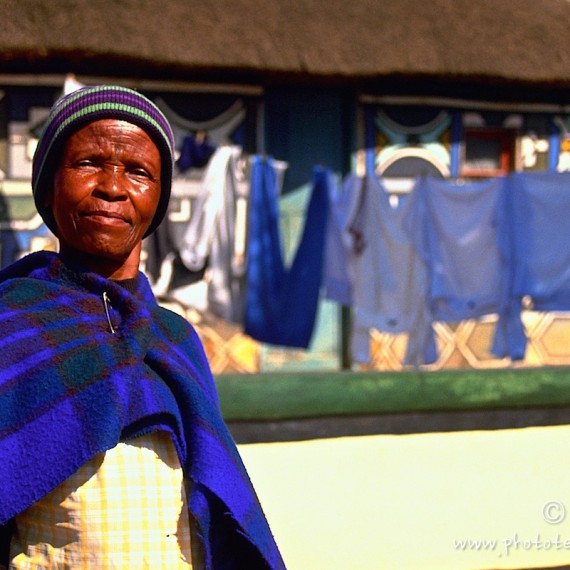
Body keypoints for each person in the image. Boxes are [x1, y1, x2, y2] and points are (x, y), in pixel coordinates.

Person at [0, 85, 285, 569]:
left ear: (158, 198)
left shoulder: (175, 339)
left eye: (138, 171)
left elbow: (209, 496)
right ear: (49, 185)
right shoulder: (11, 324)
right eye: (88, 163)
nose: (112, 186)